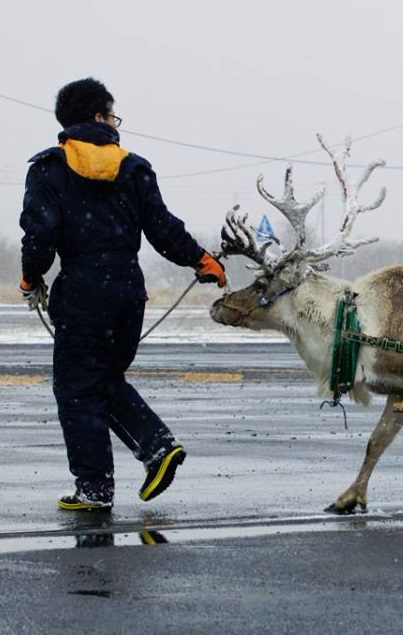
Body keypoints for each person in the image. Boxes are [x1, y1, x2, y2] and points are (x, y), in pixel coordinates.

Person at [18, 78, 227, 511]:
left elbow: (40, 233)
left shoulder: (48, 169)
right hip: (128, 294)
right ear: (98, 116)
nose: (115, 122)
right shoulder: (134, 167)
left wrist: (30, 276)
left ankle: (95, 488)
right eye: (113, 114)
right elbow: (162, 227)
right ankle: (157, 450)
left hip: (81, 294)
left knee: (77, 389)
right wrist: (200, 260)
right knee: (100, 381)